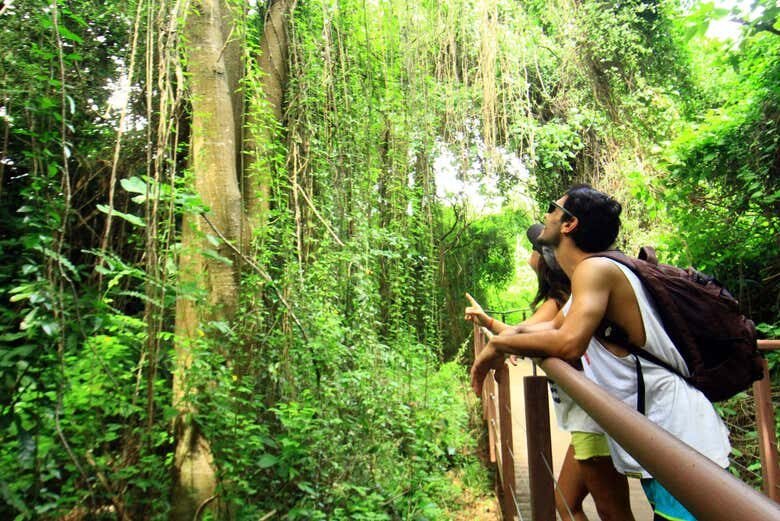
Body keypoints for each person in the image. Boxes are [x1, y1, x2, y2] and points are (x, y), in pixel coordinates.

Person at [470, 184, 731, 521]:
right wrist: (498, 335)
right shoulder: (591, 275)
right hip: (660, 438)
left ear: (569, 224)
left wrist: (500, 344)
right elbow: (545, 329)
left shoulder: (596, 270)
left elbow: (568, 342)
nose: (546, 216)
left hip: (679, 436)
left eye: (553, 208)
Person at [465, 224, 634, 521]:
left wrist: (498, 340)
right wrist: (491, 325)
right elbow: (528, 334)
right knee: (566, 501)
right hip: (589, 415)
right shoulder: (566, 298)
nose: (531, 256)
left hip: (591, 417)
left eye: (535, 249)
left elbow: (535, 336)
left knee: (609, 511)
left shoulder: (562, 299)